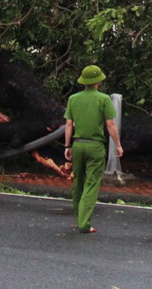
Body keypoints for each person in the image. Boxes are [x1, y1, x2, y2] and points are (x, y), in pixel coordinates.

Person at [63, 64, 123, 234]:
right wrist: (118, 144)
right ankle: (84, 223)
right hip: (95, 146)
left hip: (78, 144)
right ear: (99, 82)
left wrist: (67, 145)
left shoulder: (73, 99)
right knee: (91, 184)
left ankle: (78, 218)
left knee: (78, 183)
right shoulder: (103, 99)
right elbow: (110, 124)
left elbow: (68, 125)